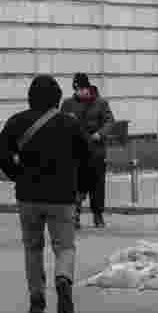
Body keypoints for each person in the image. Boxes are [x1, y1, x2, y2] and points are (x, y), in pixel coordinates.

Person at [0, 75, 90, 313]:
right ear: (58, 98)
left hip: (28, 195)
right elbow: (87, 157)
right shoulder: (70, 124)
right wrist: (81, 188)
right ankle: (63, 278)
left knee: (32, 247)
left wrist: (17, 175)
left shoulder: (17, 122)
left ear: (30, 97)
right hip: (63, 196)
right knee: (65, 246)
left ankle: (37, 298)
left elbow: (0, 152)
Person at [62, 72, 114, 229]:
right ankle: (75, 214)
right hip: (76, 151)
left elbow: (109, 121)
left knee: (97, 184)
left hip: (95, 150)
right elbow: (61, 122)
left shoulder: (101, 103)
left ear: (88, 88)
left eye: (83, 89)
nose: (80, 92)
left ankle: (98, 215)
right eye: (77, 89)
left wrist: (100, 133)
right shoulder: (68, 104)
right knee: (75, 183)